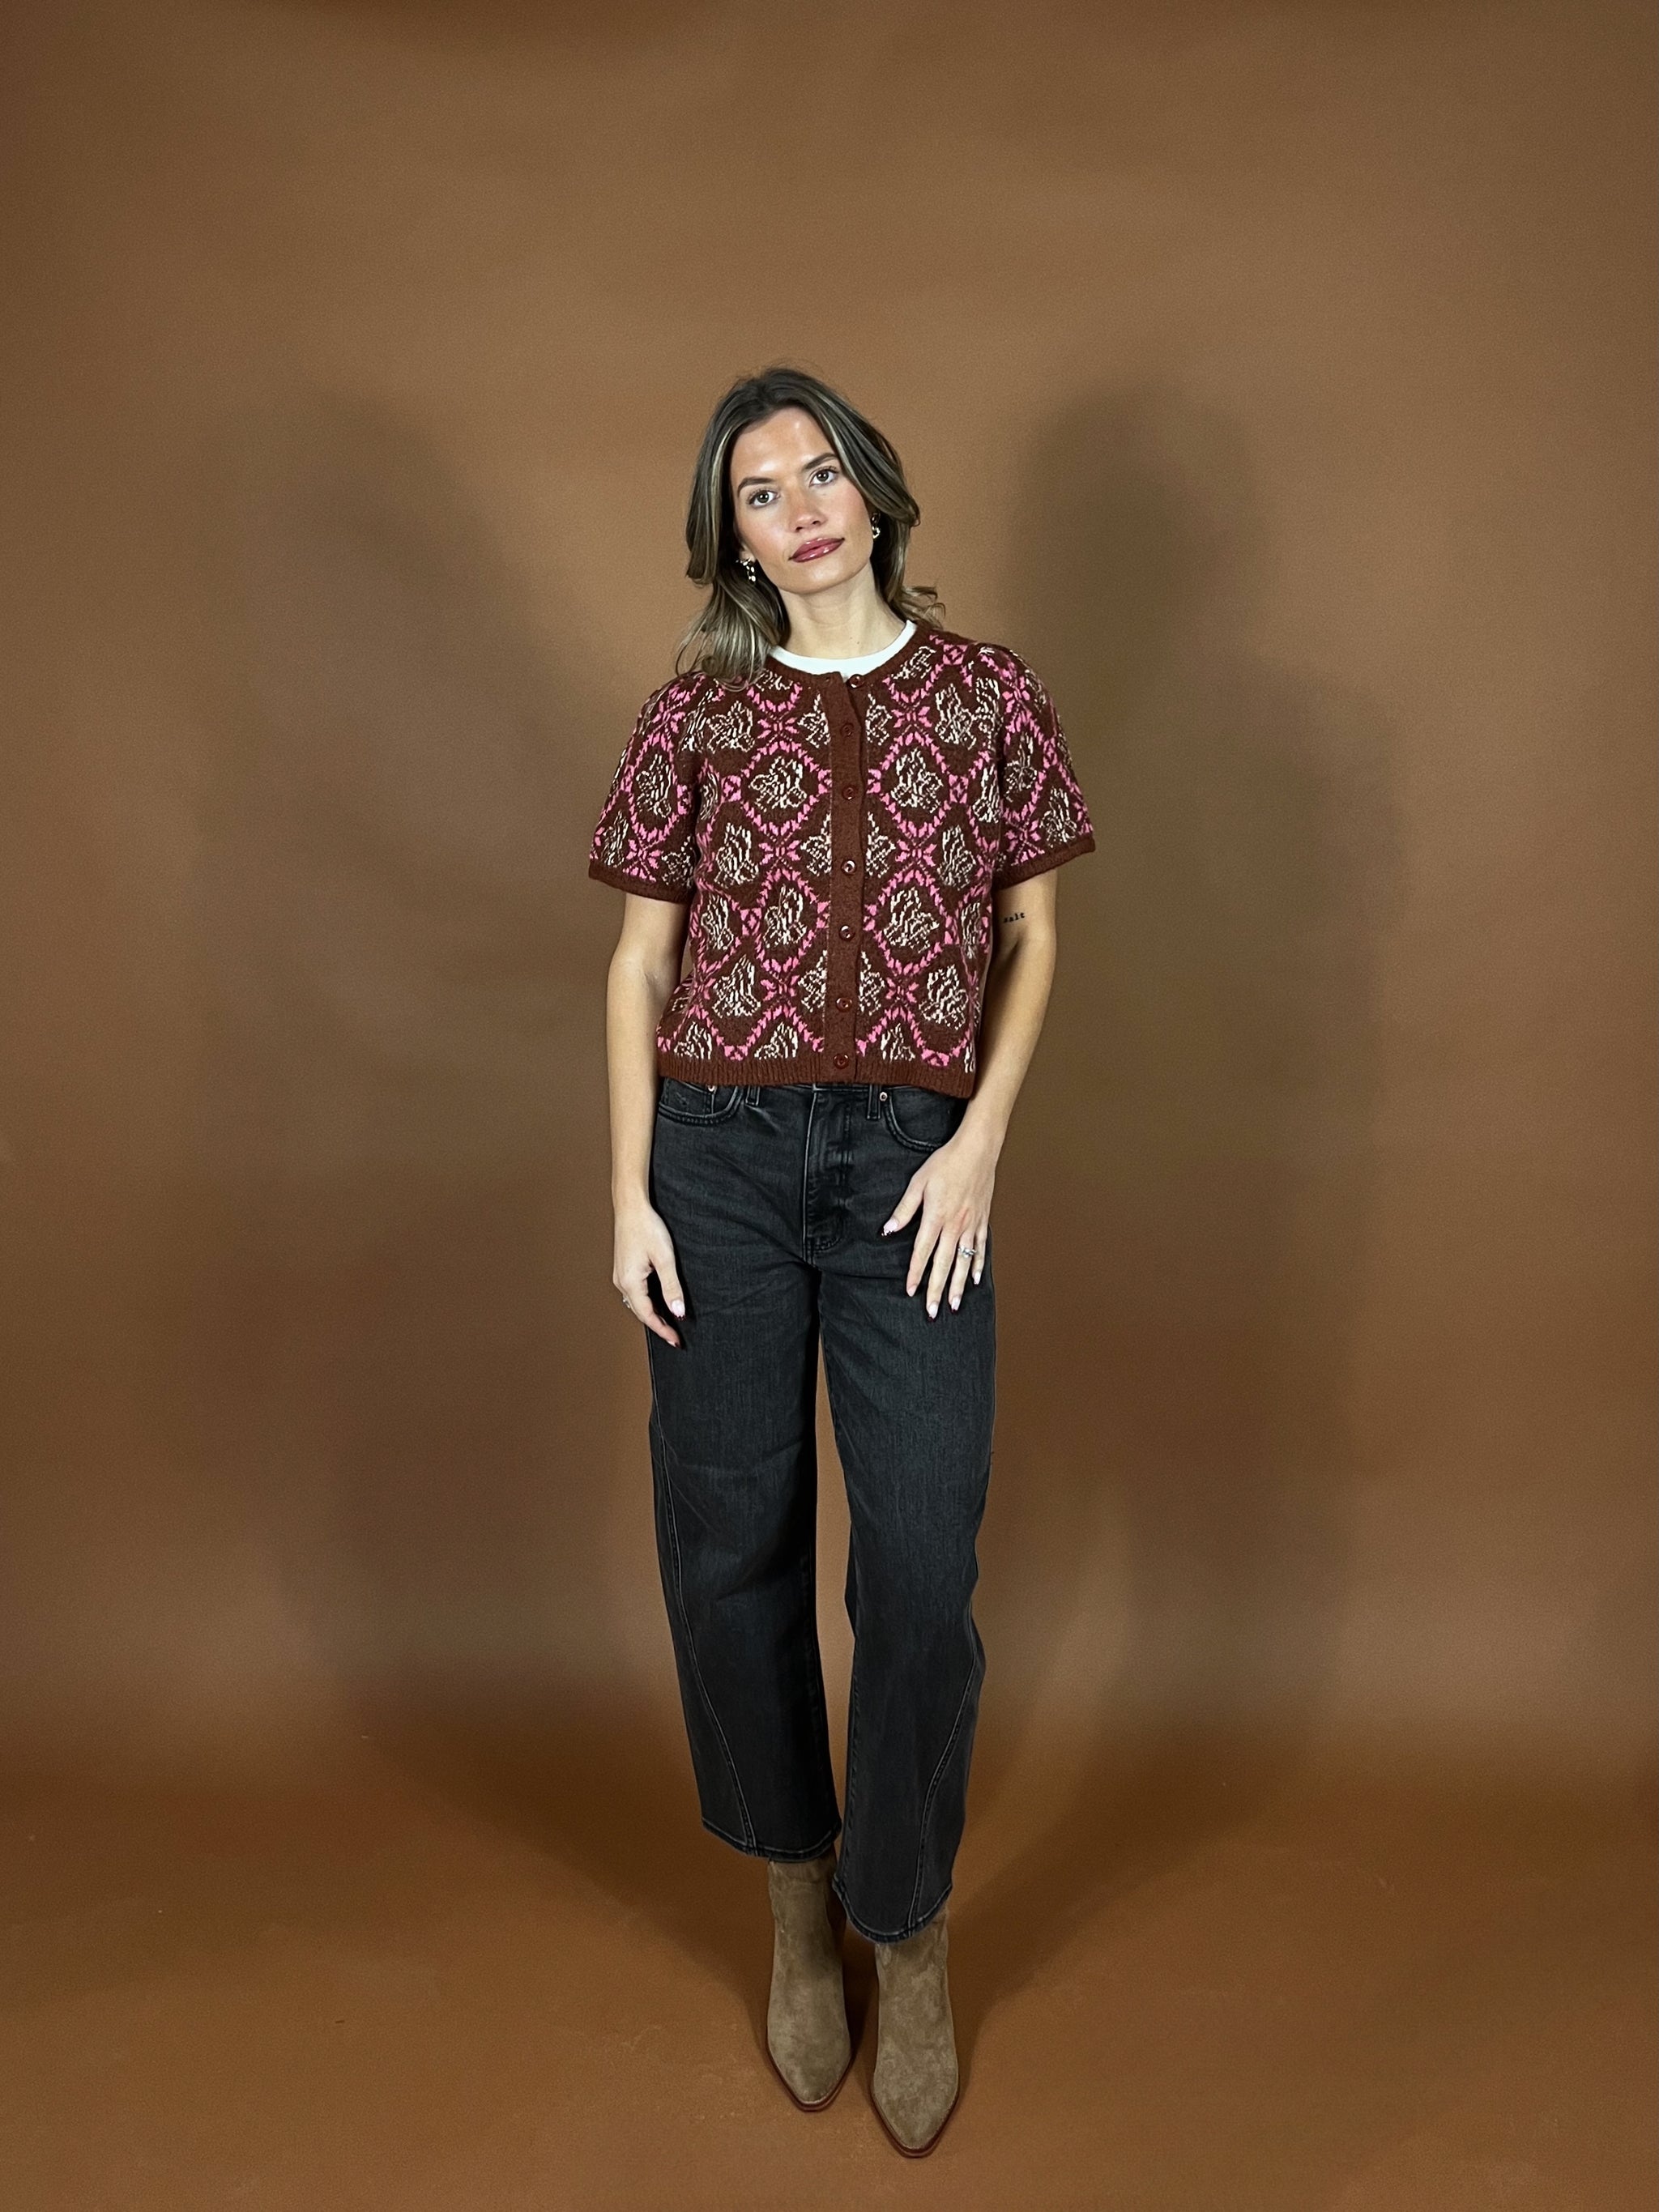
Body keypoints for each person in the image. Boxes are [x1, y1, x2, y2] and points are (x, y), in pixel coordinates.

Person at [586, 364, 1095, 2156]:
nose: (799, 509)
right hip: (716, 1161)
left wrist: (980, 1142)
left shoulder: (986, 696)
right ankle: (798, 1900)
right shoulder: (695, 715)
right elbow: (640, 967)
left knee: (922, 1560)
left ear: (872, 489)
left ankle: (910, 1922)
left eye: (819, 473)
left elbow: (1033, 934)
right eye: (759, 492)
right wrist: (630, 1194)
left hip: (911, 1168)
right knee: (728, 1547)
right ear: (731, 537)